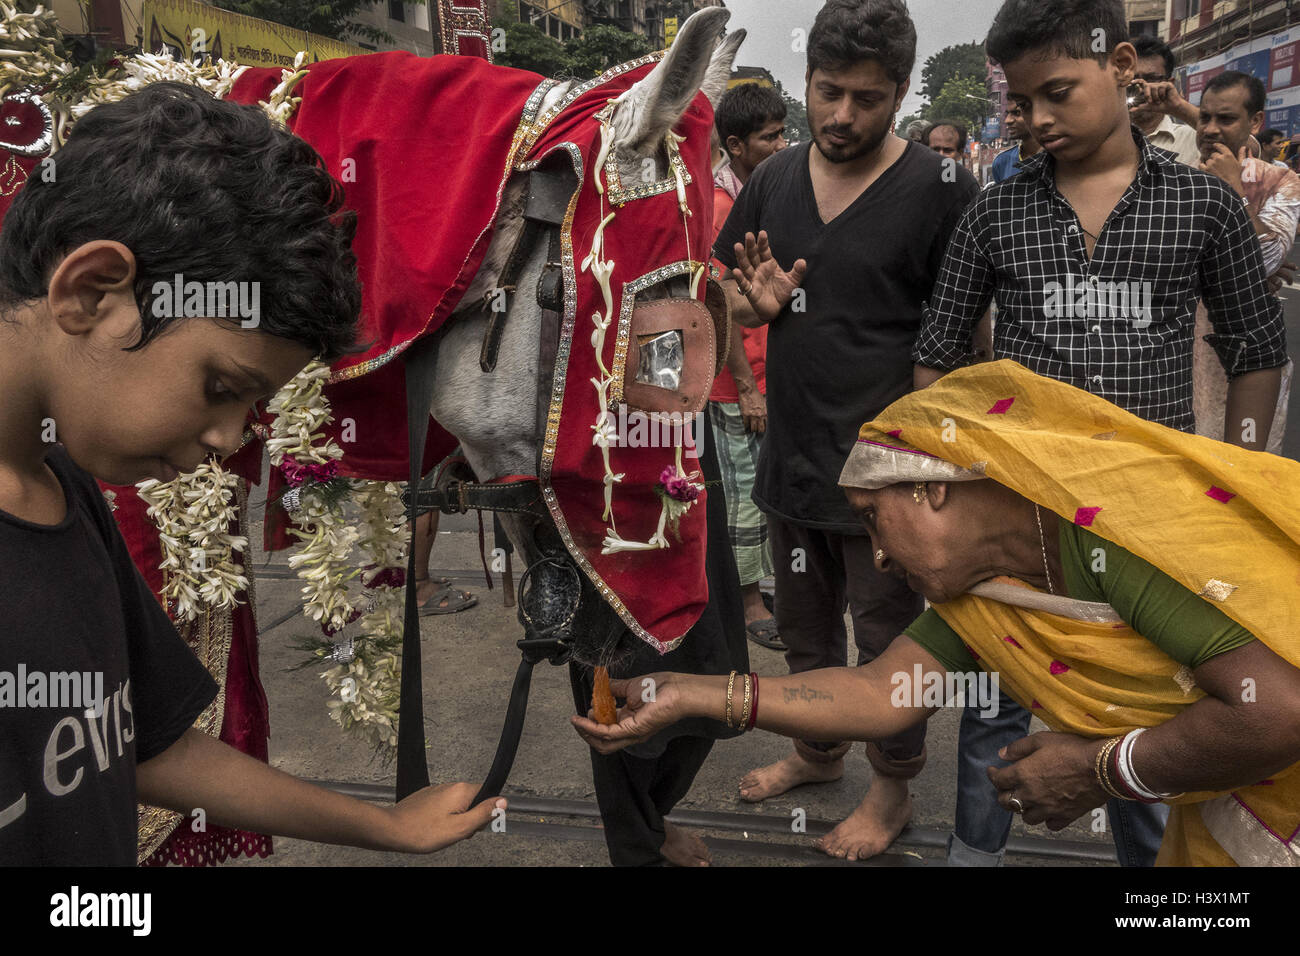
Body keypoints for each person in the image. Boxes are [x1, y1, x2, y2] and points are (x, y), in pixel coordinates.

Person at [0, 83, 500, 865]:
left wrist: (385, 827)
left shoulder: (62, 489)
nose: (228, 439)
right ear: (93, 291)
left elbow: (149, 746)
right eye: (222, 388)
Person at [573, 360, 1300, 868]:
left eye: (872, 518)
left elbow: (1275, 714)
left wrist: (1098, 769)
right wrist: (686, 695)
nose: (880, 560)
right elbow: (882, 693)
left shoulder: (1112, 536)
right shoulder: (989, 588)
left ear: (933, 490)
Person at [912, 0, 1287, 867]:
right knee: (997, 707)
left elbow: (1256, 351)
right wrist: (938, 482)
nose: (1038, 120)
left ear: (1119, 64)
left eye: (1057, 93)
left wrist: (1236, 469)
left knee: (1152, 719)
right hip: (1020, 517)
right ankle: (977, 854)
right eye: (1023, 102)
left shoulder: (1204, 208)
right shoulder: (996, 213)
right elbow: (935, 357)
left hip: (1153, 524)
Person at [713, 0, 979, 861]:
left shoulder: (943, 192)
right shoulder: (773, 179)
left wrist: (941, 468)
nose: (842, 116)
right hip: (792, 462)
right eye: (828, 93)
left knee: (889, 640)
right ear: (806, 80)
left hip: (888, 480)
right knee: (805, 631)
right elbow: (726, 284)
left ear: (900, 92)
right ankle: (816, 753)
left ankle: (892, 789)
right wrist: (749, 312)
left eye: (867, 99)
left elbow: (967, 339)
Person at [709, 83, 786, 651]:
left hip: (770, 373)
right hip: (733, 383)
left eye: (783, 133)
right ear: (735, 145)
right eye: (770, 137)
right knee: (741, 493)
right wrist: (744, 387)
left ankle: (763, 582)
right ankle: (749, 598)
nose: (782, 144)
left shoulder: (763, 193)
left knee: (764, 485)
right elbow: (716, 302)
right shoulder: (717, 206)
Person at [1190, 71, 1299, 452]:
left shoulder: (1280, 180)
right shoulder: (1173, 179)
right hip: (1176, 350)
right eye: (1205, 118)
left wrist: (1233, 190)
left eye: (1226, 118)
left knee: (1244, 471)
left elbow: (1268, 259)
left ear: (1255, 122)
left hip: (1250, 353)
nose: (1211, 129)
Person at [1127, 35, 1199, 166]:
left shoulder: (1193, 139)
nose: (1142, 87)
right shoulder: (1107, 139)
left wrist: (1180, 108)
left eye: (1151, 79)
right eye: (1134, 80)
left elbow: (1241, 145)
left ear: (1169, 83)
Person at [989, 103, 1040, 183]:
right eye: (1007, 114)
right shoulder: (1001, 162)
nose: (1008, 120)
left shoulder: (1058, 159)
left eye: (1017, 113)